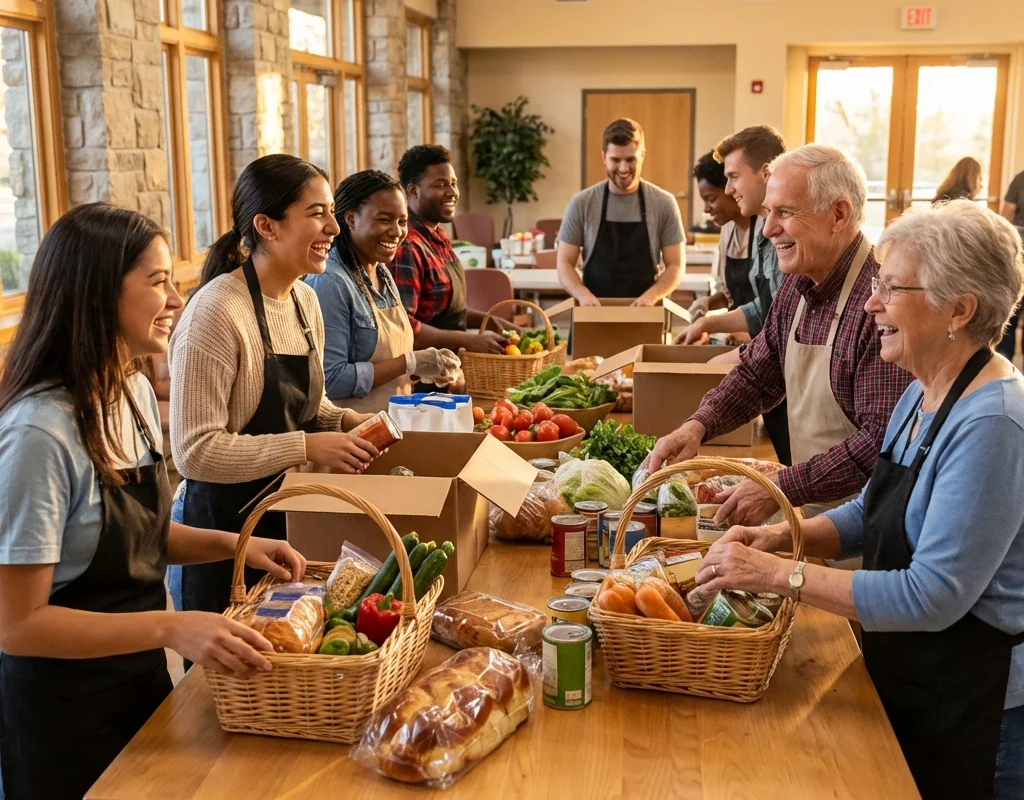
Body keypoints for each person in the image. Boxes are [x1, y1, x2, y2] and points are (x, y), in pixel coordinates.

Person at [694, 200, 1024, 800]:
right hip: (918, 675)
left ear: (960, 309)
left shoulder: (993, 423)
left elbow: (931, 595)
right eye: (876, 285)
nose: (872, 303)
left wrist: (779, 574)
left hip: (978, 706)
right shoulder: (925, 390)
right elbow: (874, 506)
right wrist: (785, 533)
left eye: (891, 288)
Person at [0, 203, 304, 800]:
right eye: (158, 281)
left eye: (175, 281)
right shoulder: (39, 432)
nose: (176, 300)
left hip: (136, 681)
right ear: (95, 293)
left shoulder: (134, 386)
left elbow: (140, 537)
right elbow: (18, 625)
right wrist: (173, 626)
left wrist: (241, 545)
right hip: (61, 712)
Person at [650, 145, 913, 527]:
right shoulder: (798, 283)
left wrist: (783, 486)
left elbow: (879, 442)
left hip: (869, 532)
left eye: (784, 212)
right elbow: (759, 372)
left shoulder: (878, 302)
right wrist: (698, 426)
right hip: (814, 514)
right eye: (768, 212)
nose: (769, 229)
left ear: (838, 214)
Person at [170, 154, 376, 617]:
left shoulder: (304, 298)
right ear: (266, 225)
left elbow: (309, 402)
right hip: (222, 533)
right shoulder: (217, 313)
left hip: (292, 517)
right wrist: (307, 446)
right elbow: (194, 452)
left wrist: (343, 420)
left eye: (331, 212)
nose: (335, 228)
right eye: (317, 213)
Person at [676, 126, 791, 465]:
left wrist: (741, 356)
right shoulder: (764, 232)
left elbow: (787, 325)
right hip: (771, 369)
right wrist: (709, 322)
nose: (728, 190)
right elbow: (768, 307)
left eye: (733, 178)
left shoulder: (784, 233)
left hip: (783, 372)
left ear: (766, 172)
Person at [305, 169, 460, 410]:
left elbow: (388, 364)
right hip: (351, 436)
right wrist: (408, 363)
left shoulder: (381, 272)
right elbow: (330, 380)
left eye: (402, 221)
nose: (397, 232)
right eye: (384, 220)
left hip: (392, 426)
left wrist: (421, 369)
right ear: (350, 219)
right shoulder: (331, 282)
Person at [390, 144, 512, 364]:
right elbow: (403, 327)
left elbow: (444, 311)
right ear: (413, 191)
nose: (452, 192)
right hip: (425, 376)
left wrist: (487, 319)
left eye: (453, 184)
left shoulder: (437, 235)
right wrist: (469, 340)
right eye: (441, 184)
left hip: (448, 366)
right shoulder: (407, 246)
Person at [556, 118, 685, 307]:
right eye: (615, 160)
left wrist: (651, 297)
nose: (623, 169)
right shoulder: (582, 203)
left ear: (643, 156)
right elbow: (564, 263)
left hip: (645, 314)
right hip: (592, 313)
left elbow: (675, 265)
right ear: (603, 157)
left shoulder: (663, 203)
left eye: (631, 159)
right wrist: (583, 295)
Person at [687, 151, 756, 320]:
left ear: (730, 190)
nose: (706, 209)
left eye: (711, 199)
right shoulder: (727, 230)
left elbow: (770, 302)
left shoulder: (765, 231)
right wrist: (708, 303)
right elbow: (730, 295)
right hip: (736, 332)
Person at [999, 172, 1024, 362]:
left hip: (1020, 249)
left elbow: (1006, 214)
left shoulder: (1021, 178)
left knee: (1011, 309)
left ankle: (1004, 363)